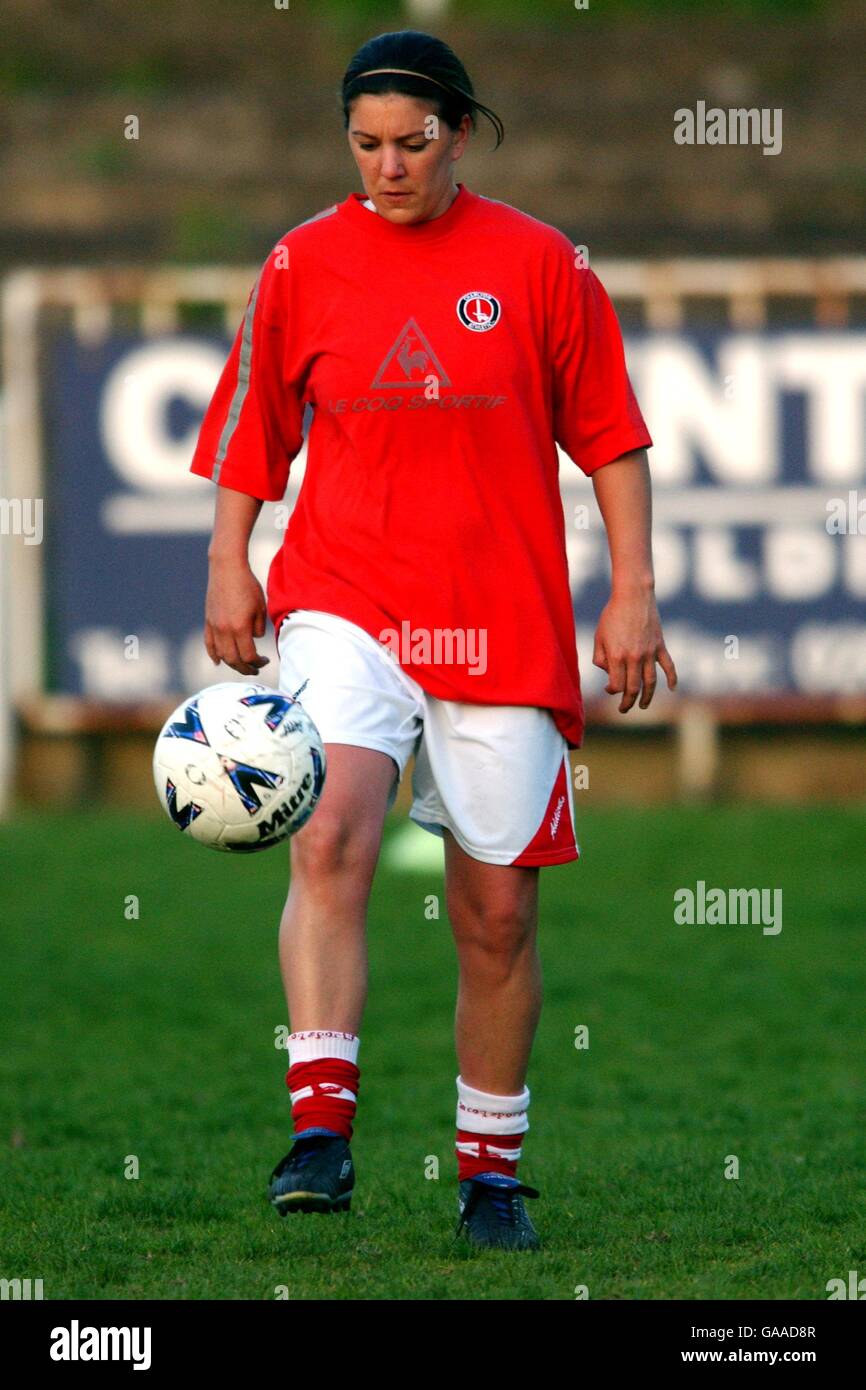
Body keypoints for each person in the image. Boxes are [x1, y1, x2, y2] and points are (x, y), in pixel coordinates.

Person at [190, 29, 677, 1251]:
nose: (387, 168)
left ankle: (491, 1174)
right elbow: (252, 432)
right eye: (365, 145)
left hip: (501, 613)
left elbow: (609, 436)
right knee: (332, 826)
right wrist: (227, 565)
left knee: (497, 913)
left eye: (412, 143)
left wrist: (633, 591)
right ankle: (319, 1133)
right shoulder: (301, 262)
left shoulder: (538, 264)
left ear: (459, 133)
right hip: (345, 599)